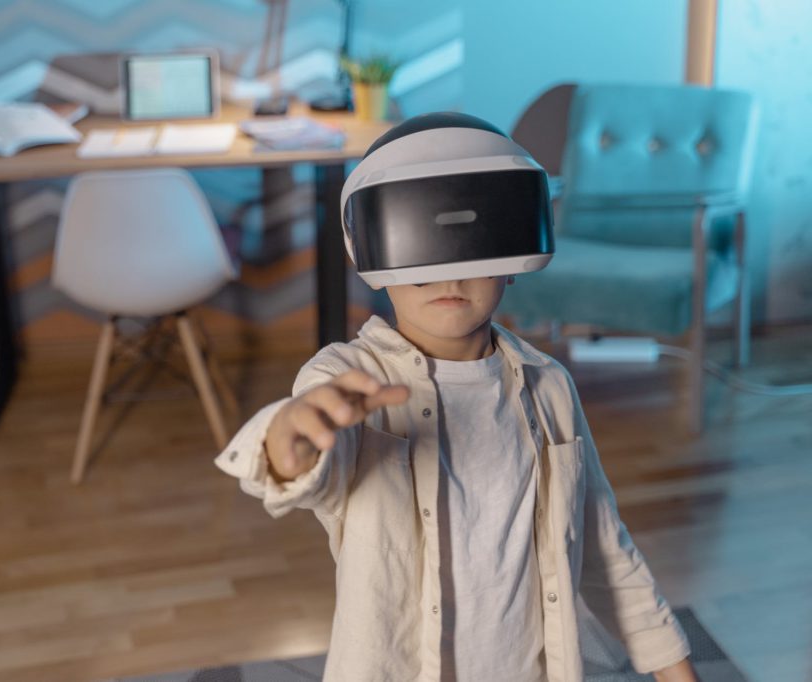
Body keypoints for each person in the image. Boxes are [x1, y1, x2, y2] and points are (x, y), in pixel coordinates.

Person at [213, 113, 697, 682]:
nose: (447, 274)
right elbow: (301, 463)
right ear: (370, 250)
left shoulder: (548, 387)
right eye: (420, 239)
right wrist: (290, 433)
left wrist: (674, 669)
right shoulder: (346, 378)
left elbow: (603, 546)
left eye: (473, 240)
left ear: (514, 253)